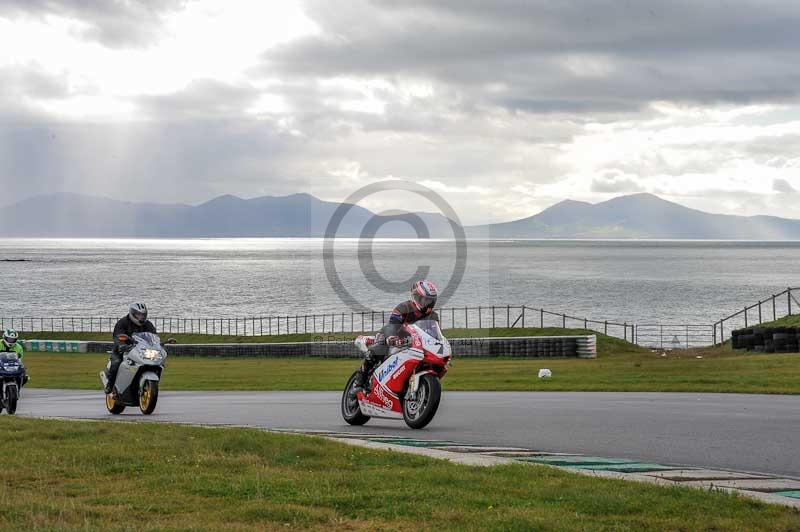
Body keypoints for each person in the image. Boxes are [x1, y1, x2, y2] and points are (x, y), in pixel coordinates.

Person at [351, 280, 440, 394]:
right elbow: (393, 325)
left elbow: (435, 334)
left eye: (430, 301)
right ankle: (359, 381)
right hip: (392, 337)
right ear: (416, 297)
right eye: (425, 300)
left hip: (414, 343)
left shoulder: (433, 316)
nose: (427, 303)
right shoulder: (404, 307)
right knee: (378, 349)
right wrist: (392, 337)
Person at [104, 303, 157, 394]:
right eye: (138, 314)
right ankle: (110, 385)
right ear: (132, 313)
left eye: (143, 315)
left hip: (140, 351)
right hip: (123, 350)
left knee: (155, 362)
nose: (141, 317)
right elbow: (117, 336)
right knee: (116, 362)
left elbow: (154, 336)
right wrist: (121, 345)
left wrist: (158, 344)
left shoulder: (148, 324)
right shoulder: (123, 323)